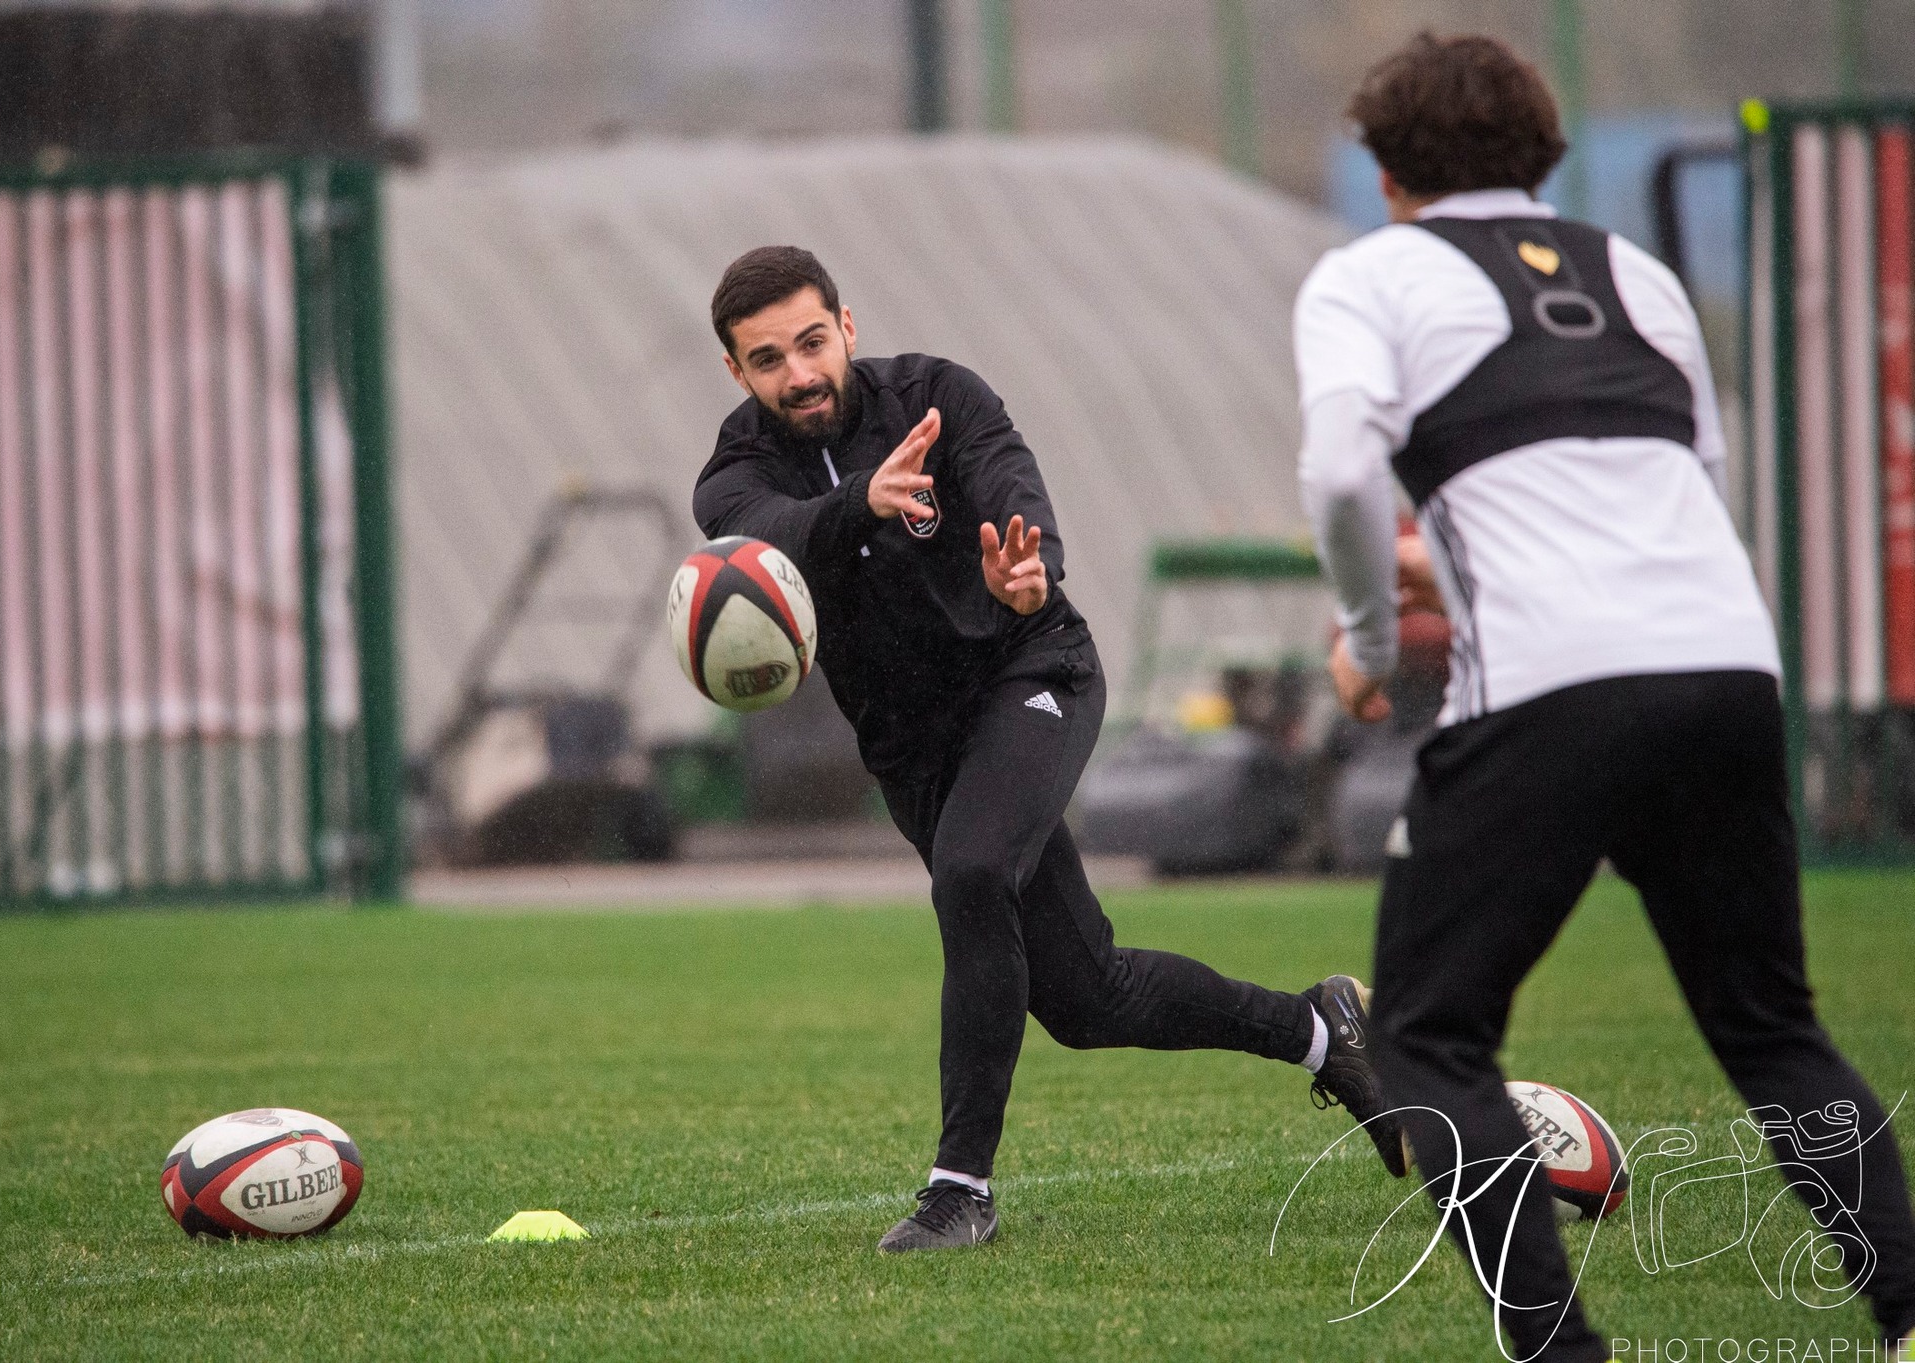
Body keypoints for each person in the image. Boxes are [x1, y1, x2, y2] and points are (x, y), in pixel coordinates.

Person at [1294, 32, 1915, 1360]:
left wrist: (1367, 629)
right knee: (1773, 1025)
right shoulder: (1639, 274)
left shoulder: (1370, 273)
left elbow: (1343, 475)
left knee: (1425, 1034)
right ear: (1548, 151)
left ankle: (1559, 1347)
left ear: (1388, 165)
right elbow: (1671, 479)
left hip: (1551, 687)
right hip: (1726, 666)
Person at [693, 245, 1409, 1253]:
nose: (797, 372)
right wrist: (860, 501)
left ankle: (959, 1193)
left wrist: (1032, 564)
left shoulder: (935, 395)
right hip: (913, 750)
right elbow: (764, 528)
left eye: (811, 341)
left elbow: (1005, 479)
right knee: (1085, 994)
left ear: (845, 327)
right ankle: (1322, 1031)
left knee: (973, 870)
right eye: (767, 359)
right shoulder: (731, 476)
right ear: (736, 372)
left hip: (1028, 670)